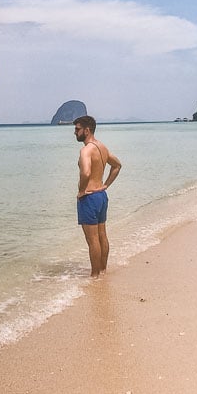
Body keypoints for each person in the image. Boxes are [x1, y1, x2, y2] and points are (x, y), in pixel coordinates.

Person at [73, 116, 122, 277]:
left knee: (92, 240)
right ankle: (102, 270)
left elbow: (86, 172)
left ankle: (95, 276)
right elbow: (117, 165)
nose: (75, 132)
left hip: (89, 198)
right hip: (101, 195)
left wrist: (81, 191)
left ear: (87, 130)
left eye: (77, 129)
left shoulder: (86, 150)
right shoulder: (102, 147)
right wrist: (105, 185)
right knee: (102, 235)